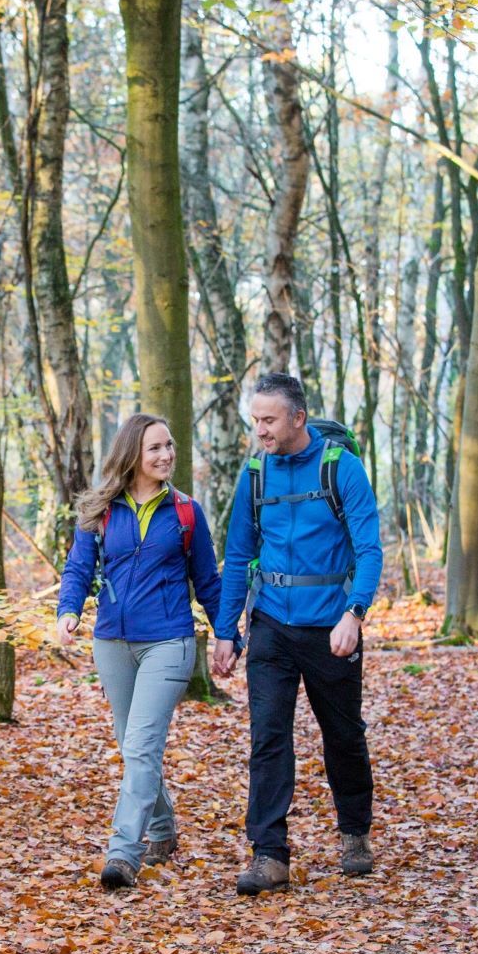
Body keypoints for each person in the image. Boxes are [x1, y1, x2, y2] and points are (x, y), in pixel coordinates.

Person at [210, 372, 383, 895]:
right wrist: (226, 631)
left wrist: (354, 613)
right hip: (271, 628)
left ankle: (354, 833)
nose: (259, 430)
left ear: (298, 419)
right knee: (267, 738)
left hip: (331, 627)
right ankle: (269, 855)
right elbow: (238, 554)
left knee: (344, 736)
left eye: (268, 420)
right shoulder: (255, 475)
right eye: (255, 419)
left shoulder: (341, 469)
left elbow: (370, 548)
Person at [57, 413, 223, 891]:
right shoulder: (101, 510)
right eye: (155, 448)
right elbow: (77, 568)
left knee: (141, 745)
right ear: (133, 453)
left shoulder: (187, 512)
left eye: (169, 446)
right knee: (133, 746)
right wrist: (69, 610)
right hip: (111, 642)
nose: (166, 455)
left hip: (169, 641)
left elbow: (208, 581)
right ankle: (166, 829)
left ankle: (123, 852)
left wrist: (227, 635)